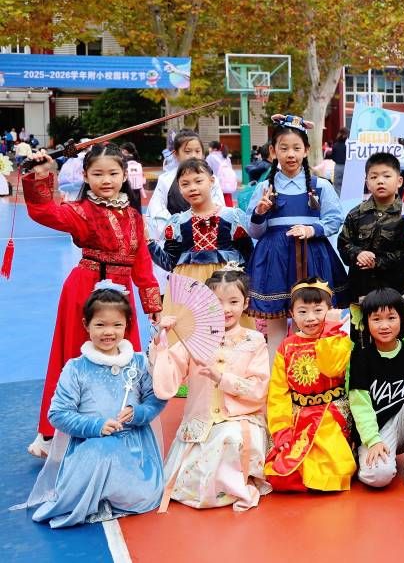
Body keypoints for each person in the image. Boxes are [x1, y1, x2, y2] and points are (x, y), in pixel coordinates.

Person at [21, 145, 162, 458]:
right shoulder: (81, 211)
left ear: (124, 175)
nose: (106, 180)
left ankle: (118, 424)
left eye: (113, 173)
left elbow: (142, 265)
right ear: (85, 176)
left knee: (122, 359)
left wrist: (153, 306)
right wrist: (41, 174)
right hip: (85, 291)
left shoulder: (135, 217)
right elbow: (45, 212)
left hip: (122, 296)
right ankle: (55, 433)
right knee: (76, 356)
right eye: (97, 174)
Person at [21, 285, 165, 527]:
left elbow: (156, 399)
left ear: (127, 325)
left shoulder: (139, 362)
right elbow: (57, 414)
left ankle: (113, 493)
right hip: (90, 448)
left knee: (140, 493)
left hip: (135, 452)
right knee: (102, 449)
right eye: (100, 324)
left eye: (117, 325)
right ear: (86, 325)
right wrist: (96, 426)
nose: (109, 332)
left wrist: (137, 413)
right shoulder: (76, 368)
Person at [149, 268, 271, 511]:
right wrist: (161, 340)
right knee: (193, 474)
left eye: (233, 302)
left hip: (239, 417)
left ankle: (232, 487)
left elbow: (259, 389)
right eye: (217, 302)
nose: (225, 309)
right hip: (201, 419)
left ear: (246, 303)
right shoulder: (193, 337)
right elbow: (168, 377)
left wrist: (222, 378)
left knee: (231, 438)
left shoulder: (255, 340)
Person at [247, 114, 348, 357]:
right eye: (284, 148)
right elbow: (254, 231)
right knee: (275, 327)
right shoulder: (264, 188)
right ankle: (277, 376)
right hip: (275, 260)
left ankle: (314, 373)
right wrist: (260, 212)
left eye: (296, 148)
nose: (290, 154)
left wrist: (311, 230)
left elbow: (335, 220)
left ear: (306, 150)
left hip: (312, 256)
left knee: (313, 320)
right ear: (273, 151)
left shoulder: (320, 185)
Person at [264, 278, 355, 492]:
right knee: (279, 473)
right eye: (302, 311)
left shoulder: (339, 339)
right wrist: (281, 429)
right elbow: (278, 392)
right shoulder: (286, 347)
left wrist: (330, 331)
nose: (311, 318)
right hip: (297, 416)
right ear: (292, 314)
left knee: (335, 470)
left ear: (330, 311)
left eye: (318, 310)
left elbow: (331, 368)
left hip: (330, 413)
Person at [348, 288, 404, 488]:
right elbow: (360, 405)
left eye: (391, 317)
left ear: (402, 319)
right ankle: (364, 456)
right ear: (366, 322)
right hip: (376, 430)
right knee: (378, 478)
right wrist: (372, 440)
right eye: (376, 319)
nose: (384, 325)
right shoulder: (361, 357)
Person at [337, 151, 404, 306]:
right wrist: (358, 254)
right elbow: (343, 244)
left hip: (394, 292)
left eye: (386, 176)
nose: (380, 181)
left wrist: (377, 262)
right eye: (374, 177)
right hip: (360, 291)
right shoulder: (356, 214)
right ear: (367, 183)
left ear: (399, 181)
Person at [149, 158, 252, 284]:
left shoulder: (232, 217)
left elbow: (248, 256)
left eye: (198, 181)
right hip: (188, 288)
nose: (192, 188)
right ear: (179, 188)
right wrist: (150, 243)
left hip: (226, 286)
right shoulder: (177, 223)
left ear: (211, 181)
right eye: (185, 184)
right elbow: (170, 262)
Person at [146, 129, 225, 239]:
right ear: (176, 154)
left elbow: (219, 207)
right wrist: (177, 231)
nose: (193, 156)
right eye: (187, 152)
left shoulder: (212, 179)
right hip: (176, 239)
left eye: (197, 151)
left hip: (207, 236)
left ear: (203, 154)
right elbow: (157, 212)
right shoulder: (165, 180)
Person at [330, 127, 348, 192]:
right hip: (346, 166)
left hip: (337, 166)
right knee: (346, 184)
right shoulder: (347, 145)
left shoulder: (335, 145)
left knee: (337, 186)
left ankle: (338, 197)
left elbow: (333, 157)